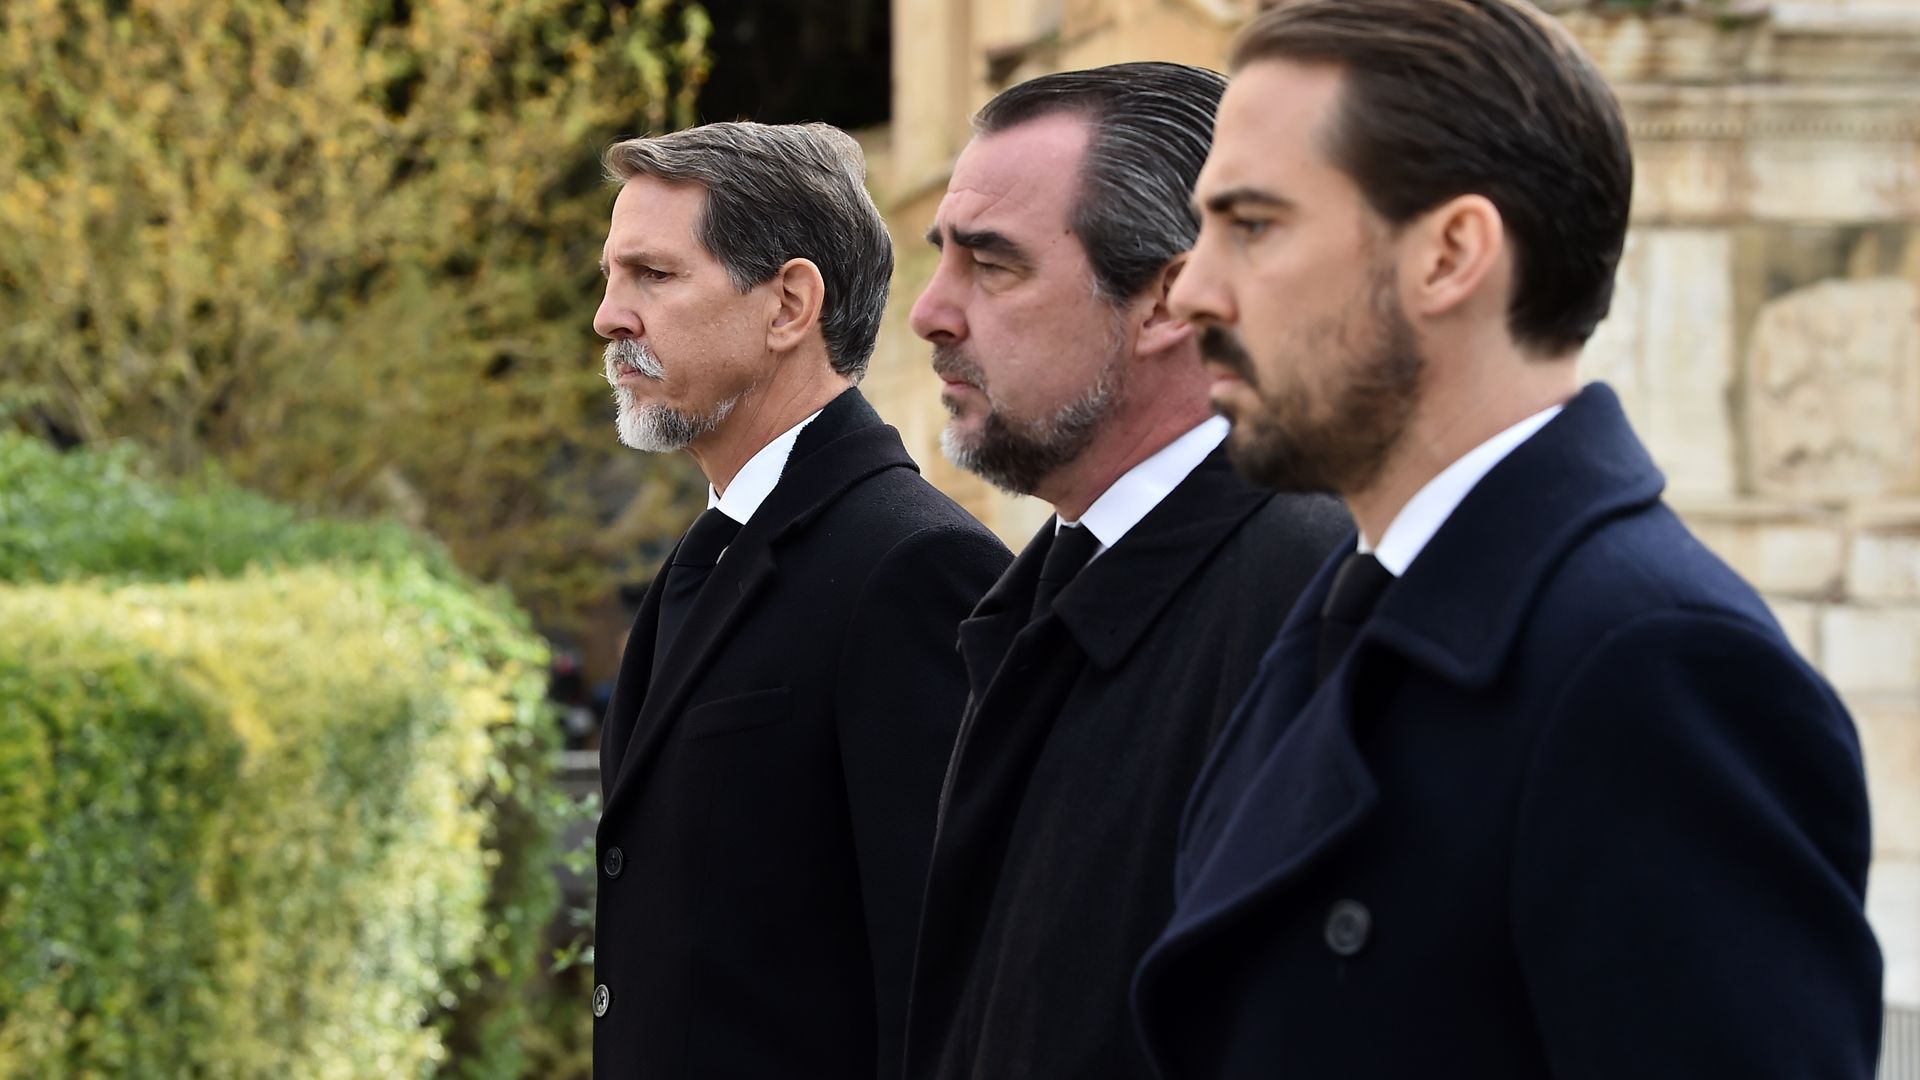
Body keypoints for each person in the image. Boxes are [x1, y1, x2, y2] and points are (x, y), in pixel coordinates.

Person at [1134, 3, 1886, 1077]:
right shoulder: (1356, 608)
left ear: (1451, 254)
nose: (1193, 289)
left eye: (1251, 225)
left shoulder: (1652, 666)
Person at [903, 63, 1350, 1080]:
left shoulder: (1310, 597)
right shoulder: (1043, 593)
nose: (931, 311)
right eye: (942, 260)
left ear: (1166, 300)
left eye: (992, 265)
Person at [589, 121, 1010, 1080]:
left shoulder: (916, 564)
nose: (611, 316)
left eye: (653, 276)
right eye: (611, 277)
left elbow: (941, 985)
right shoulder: (713, 548)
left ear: (789, 304)